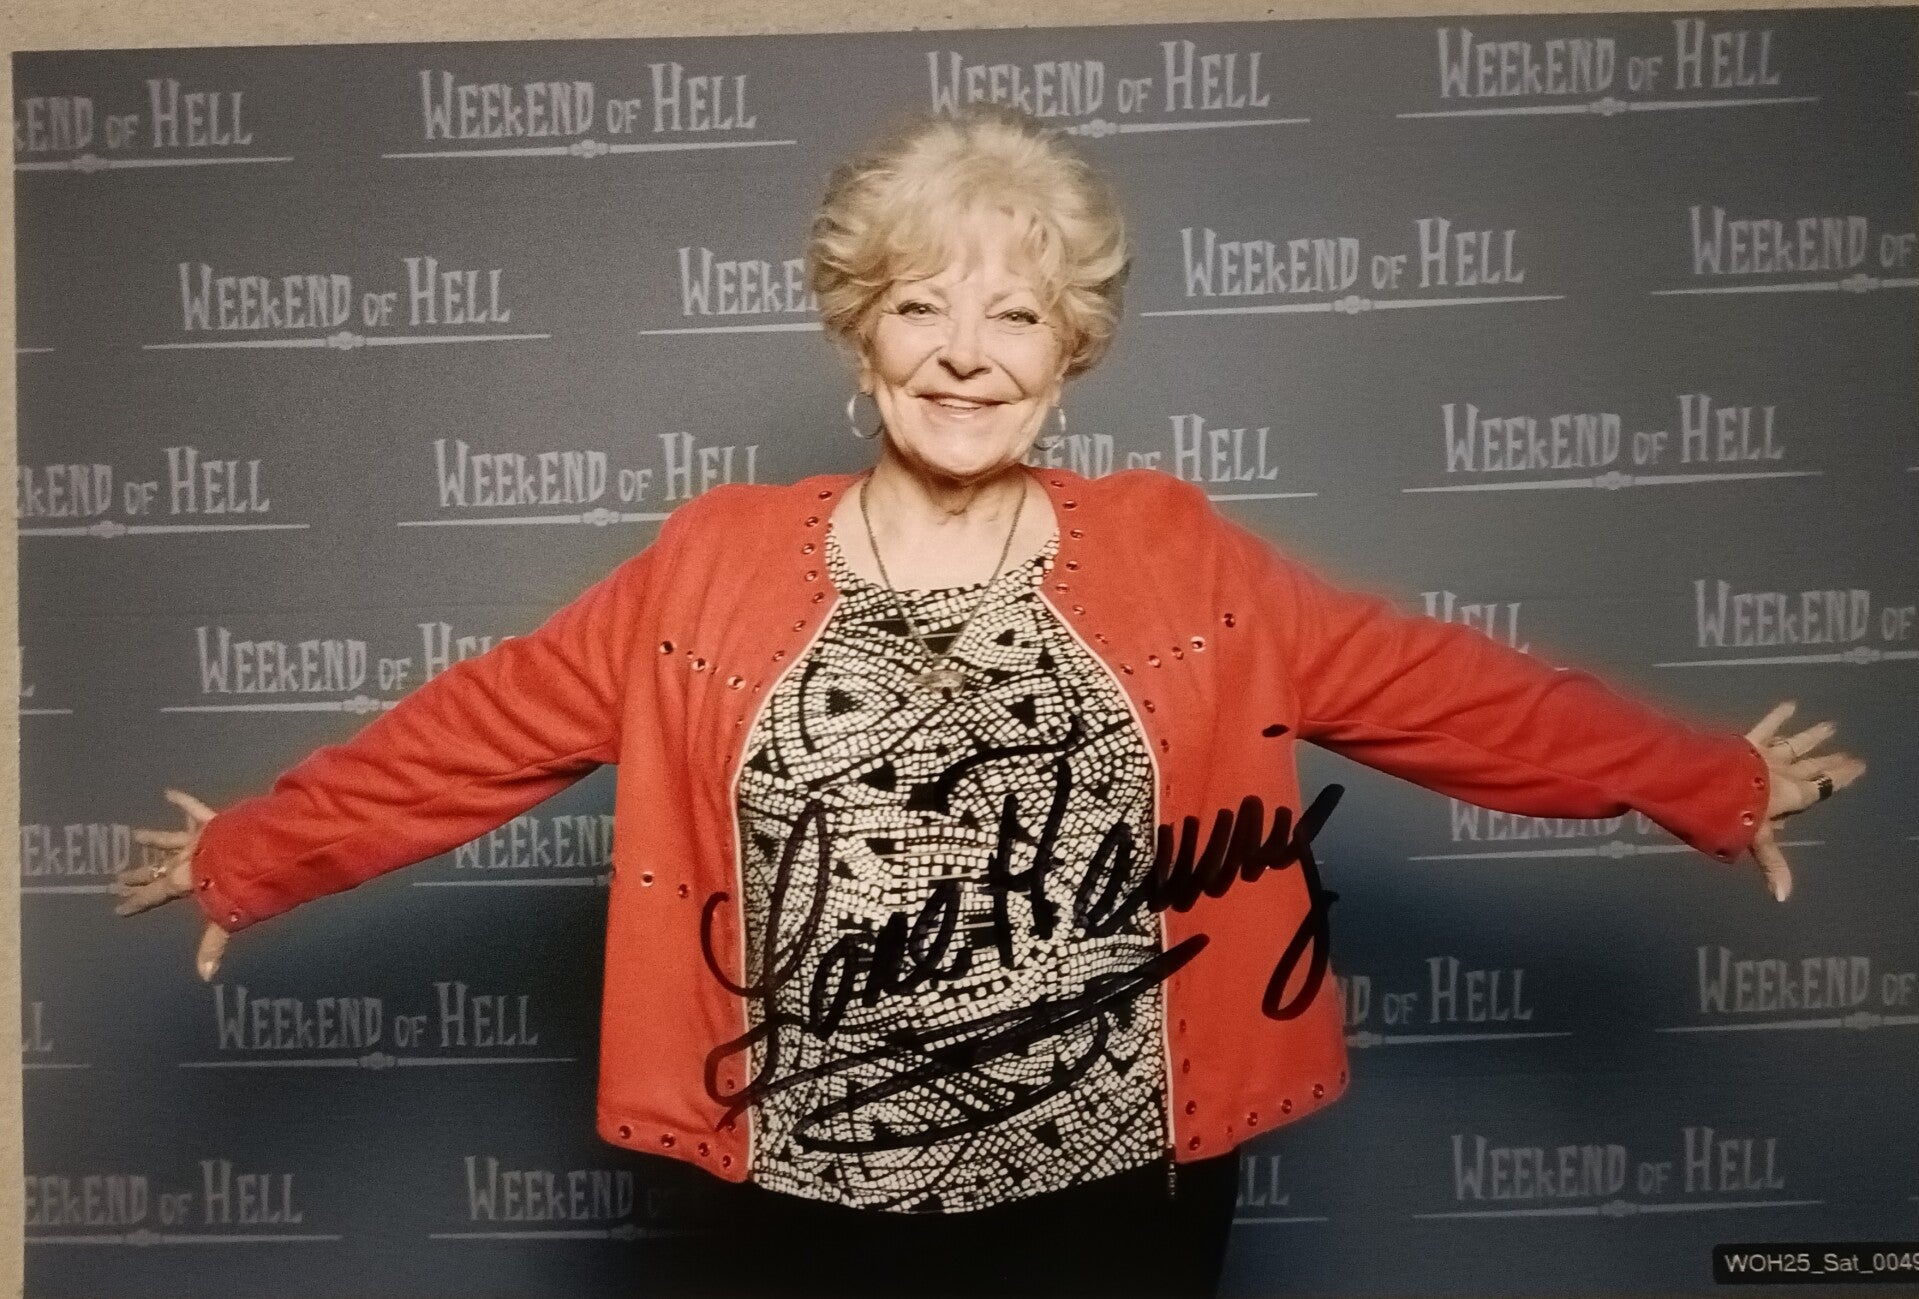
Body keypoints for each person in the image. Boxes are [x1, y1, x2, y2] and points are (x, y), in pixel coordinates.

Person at [115, 104, 1866, 1298]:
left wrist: (1693, 777)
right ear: (859, 333)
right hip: (805, 1185)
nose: (967, 351)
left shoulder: (1177, 557)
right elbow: (484, 726)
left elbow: (1433, 687)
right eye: (922, 307)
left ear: (1067, 352)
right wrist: (258, 856)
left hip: (1113, 1190)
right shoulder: (711, 566)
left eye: (1017, 315)